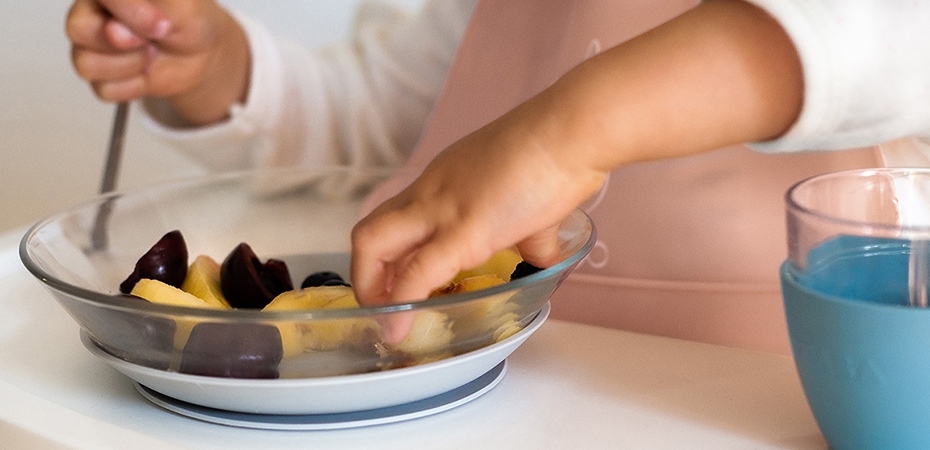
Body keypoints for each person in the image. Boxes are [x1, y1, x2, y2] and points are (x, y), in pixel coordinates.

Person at [67, 0, 930, 353]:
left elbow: (882, 41)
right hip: (468, 392)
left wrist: (564, 135)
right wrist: (221, 70)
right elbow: (389, 112)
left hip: (752, 401)